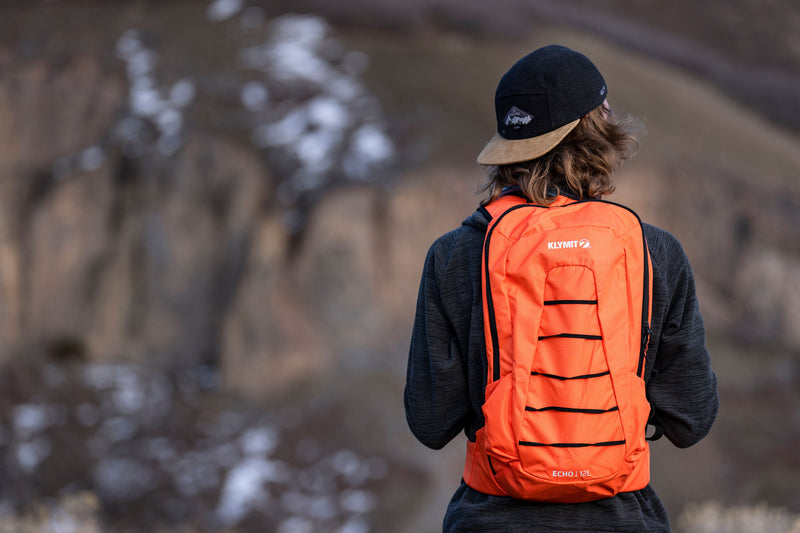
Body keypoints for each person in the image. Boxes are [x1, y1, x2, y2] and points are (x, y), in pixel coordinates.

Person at [404, 44, 719, 532]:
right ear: (599, 129)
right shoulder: (653, 251)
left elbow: (430, 421)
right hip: (622, 519)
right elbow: (692, 417)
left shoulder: (456, 254)